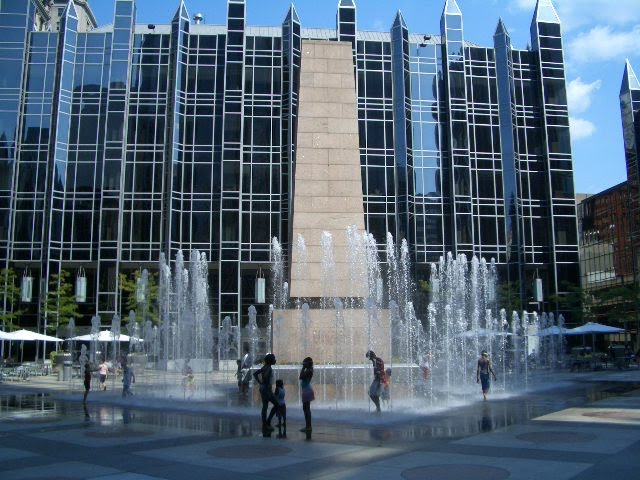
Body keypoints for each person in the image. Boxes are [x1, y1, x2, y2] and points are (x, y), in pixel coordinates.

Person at [253, 353, 278, 431]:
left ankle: (265, 424)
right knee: (276, 405)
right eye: (274, 359)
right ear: (270, 361)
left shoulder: (264, 367)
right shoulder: (269, 368)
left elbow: (255, 374)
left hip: (263, 387)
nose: (275, 360)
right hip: (266, 389)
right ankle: (267, 422)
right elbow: (266, 377)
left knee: (265, 407)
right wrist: (267, 388)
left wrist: (260, 382)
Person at [299, 357, 314, 435]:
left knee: (306, 409)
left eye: (304, 363)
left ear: (308, 363)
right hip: (307, 390)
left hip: (306, 390)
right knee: (306, 409)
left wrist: (303, 368)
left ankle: (308, 426)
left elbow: (300, 377)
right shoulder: (309, 370)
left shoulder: (308, 370)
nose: (303, 364)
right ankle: (308, 426)